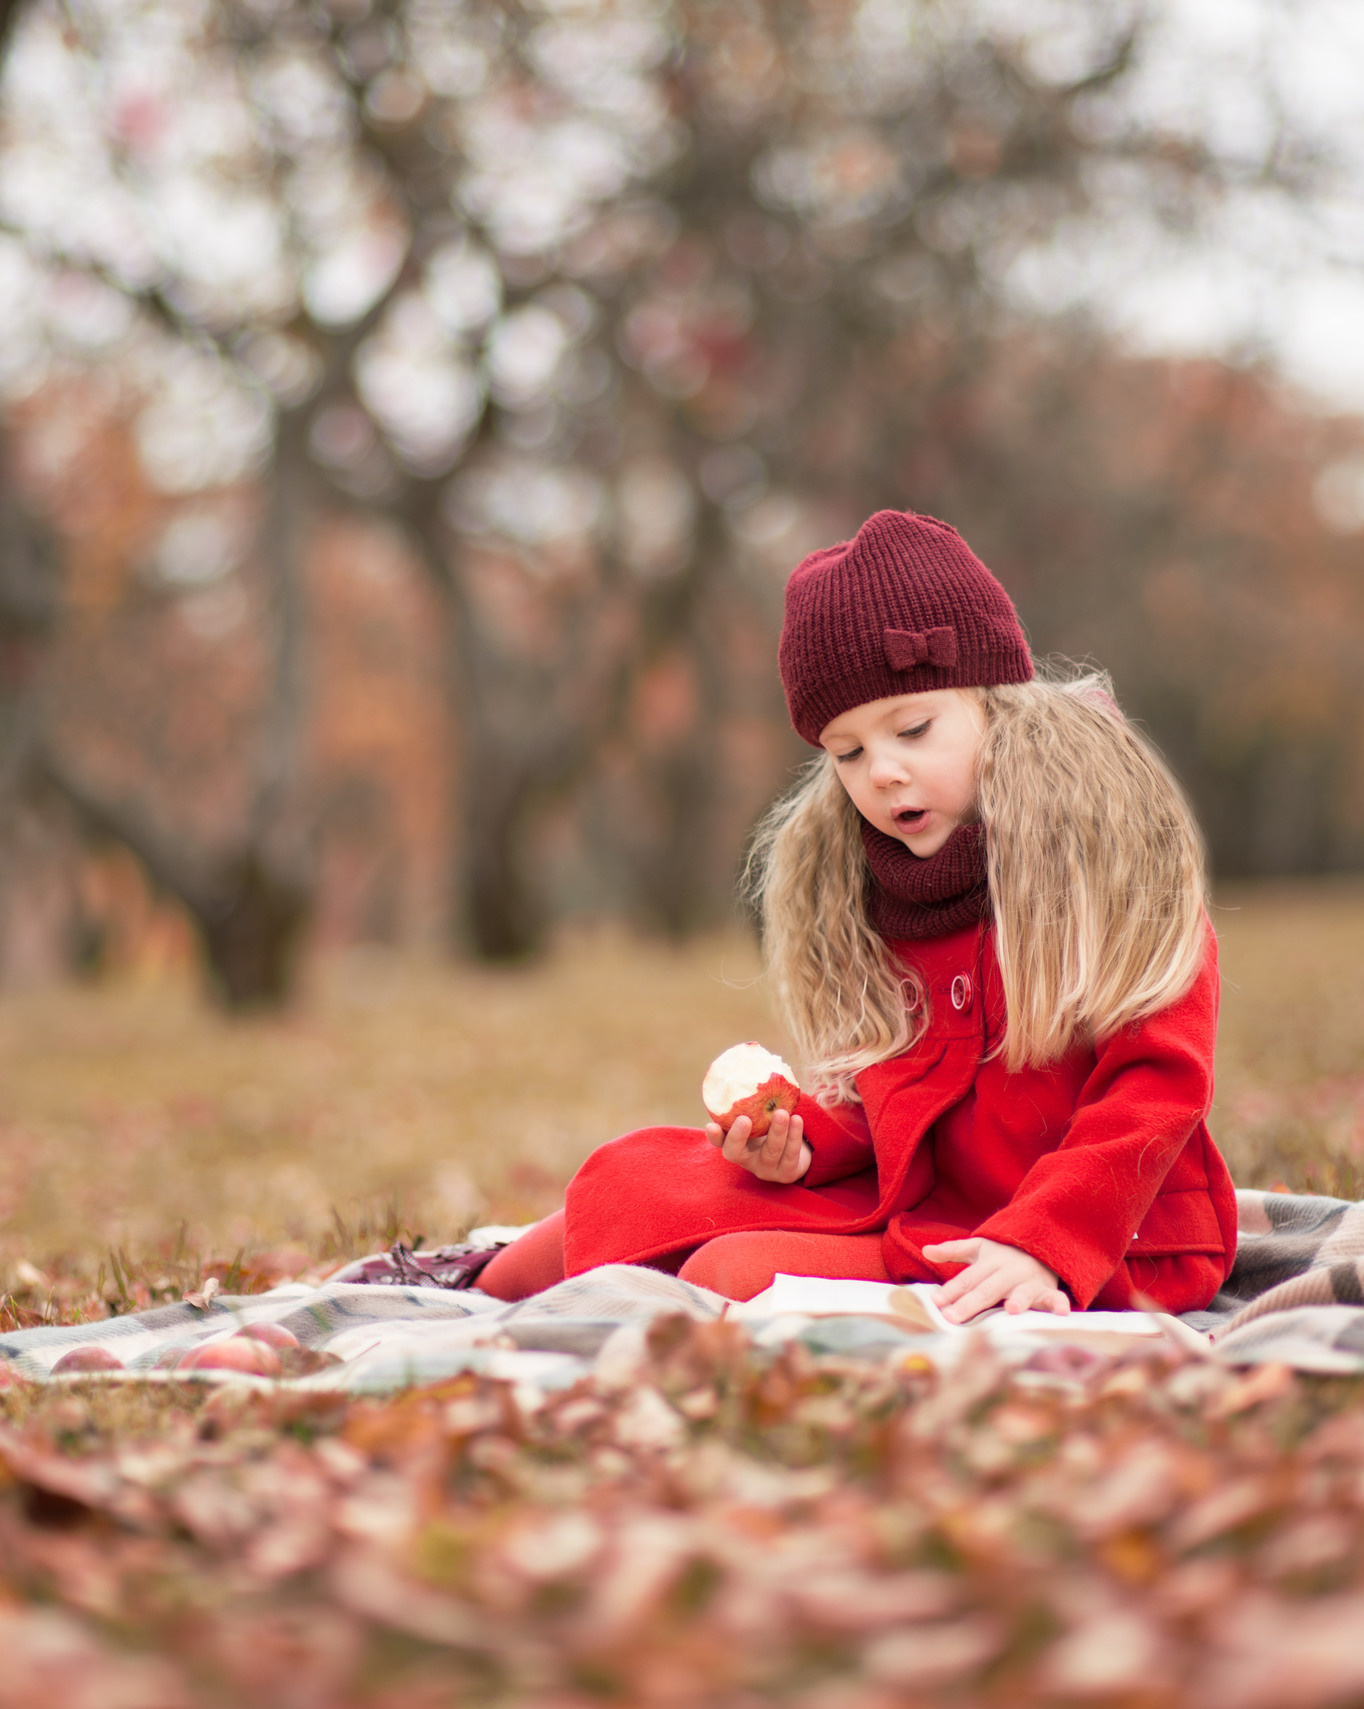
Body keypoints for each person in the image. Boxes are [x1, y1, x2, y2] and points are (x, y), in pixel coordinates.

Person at [474, 509, 1237, 1322]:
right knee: (641, 1184)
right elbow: (891, 1102)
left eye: (912, 729)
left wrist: (1045, 1240)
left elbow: (1157, 1089)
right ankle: (459, 1287)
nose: (883, 773)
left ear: (998, 705)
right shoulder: (877, 892)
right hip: (932, 1207)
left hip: (1110, 1235)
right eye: (848, 751)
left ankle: (591, 1300)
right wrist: (800, 1144)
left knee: (731, 1271)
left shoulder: (1112, 858)